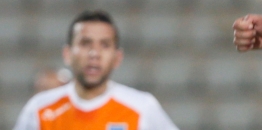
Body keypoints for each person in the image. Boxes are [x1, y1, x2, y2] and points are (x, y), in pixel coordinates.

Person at [14, 10, 179, 130]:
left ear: (117, 57)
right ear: (67, 54)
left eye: (105, 45)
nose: (94, 54)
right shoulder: (39, 110)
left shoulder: (142, 108)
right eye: (85, 43)